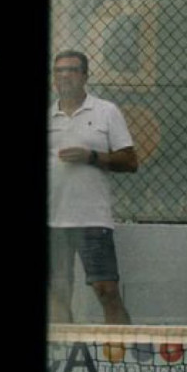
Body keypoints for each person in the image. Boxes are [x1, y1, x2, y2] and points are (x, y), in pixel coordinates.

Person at [48, 50, 138, 325]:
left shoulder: (106, 111)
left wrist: (92, 157)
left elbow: (130, 161)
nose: (65, 76)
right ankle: (66, 351)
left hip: (92, 219)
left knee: (106, 290)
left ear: (85, 76)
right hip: (53, 221)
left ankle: (122, 349)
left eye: (72, 70)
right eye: (59, 70)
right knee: (58, 294)